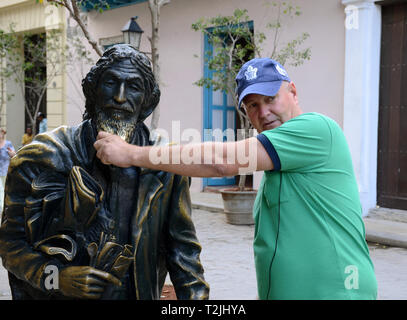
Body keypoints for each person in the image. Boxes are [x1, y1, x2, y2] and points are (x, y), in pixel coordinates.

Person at [94, 57, 378, 300]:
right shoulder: (275, 170)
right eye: (252, 105)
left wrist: (130, 154)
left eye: (270, 99)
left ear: (293, 91)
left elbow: (222, 163)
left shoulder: (317, 128)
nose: (263, 112)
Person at [0, 44, 209, 300]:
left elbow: (184, 255)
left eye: (133, 87)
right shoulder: (40, 157)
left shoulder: (165, 164)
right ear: (93, 90)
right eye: (110, 82)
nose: (120, 97)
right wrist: (56, 277)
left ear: (147, 101)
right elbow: (11, 245)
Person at [0, 129, 15, 215]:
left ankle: (4, 210)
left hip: (5, 171)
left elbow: (14, 155)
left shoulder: (7, 144)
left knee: (5, 191)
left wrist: (12, 153)